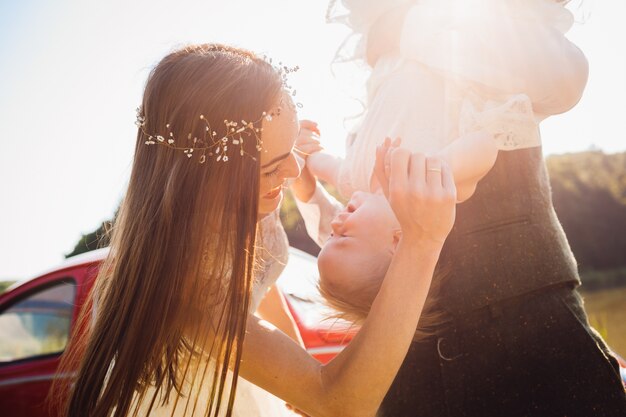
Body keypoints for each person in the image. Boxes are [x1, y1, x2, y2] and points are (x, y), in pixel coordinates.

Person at [51, 43, 458, 417]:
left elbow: (260, 290)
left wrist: (295, 370)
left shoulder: (249, 215)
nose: (296, 170)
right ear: (209, 179)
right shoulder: (190, 287)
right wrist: (421, 243)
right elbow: (341, 404)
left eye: (292, 151)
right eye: (272, 165)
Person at [292, 0, 626, 415]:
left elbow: (350, 229)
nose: (343, 219)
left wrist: (306, 160)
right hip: (409, 375)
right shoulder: (400, 133)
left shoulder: (371, 163)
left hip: (538, 340)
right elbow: (359, 249)